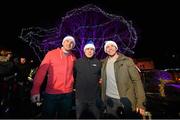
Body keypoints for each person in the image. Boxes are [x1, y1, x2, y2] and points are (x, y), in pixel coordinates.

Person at [30, 35, 76, 118]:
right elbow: (41, 72)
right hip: (52, 94)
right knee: (48, 116)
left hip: (68, 94)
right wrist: (35, 90)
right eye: (67, 41)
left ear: (73, 45)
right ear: (62, 42)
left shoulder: (73, 57)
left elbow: (76, 73)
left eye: (72, 42)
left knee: (64, 117)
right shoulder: (51, 54)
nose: (69, 43)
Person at [101, 40, 146, 118]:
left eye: (112, 46)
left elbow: (137, 81)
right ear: (105, 50)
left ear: (116, 48)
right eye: (107, 47)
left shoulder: (127, 61)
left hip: (126, 99)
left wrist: (140, 103)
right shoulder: (103, 63)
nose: (110, 48)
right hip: (109, 99)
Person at [74, 40, 102, 119]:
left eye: (92, 49)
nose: (90, 51)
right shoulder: (77, 62)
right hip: (80, 98)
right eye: (88, 49)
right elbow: (73, 75)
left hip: (94, 99)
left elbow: (101, 76)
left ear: (94, 51)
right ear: (84, 50)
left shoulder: (98, 63)